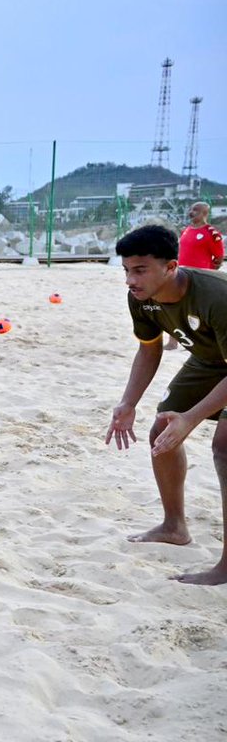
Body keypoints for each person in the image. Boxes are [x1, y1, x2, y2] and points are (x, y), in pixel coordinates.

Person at [105, 223, 227, 586]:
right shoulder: (141, 298)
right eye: (126, 270)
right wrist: (128, 403)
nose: (130, 280)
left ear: (171, 266)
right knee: (162, 430)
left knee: (224, 447)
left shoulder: (217, 297)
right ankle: (174, 527)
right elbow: (149, 350)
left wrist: (192, 418)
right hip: (210, 361)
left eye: (140, 270)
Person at [166, 203, 223, 349]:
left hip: (200, 279)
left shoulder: (211, 233)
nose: (191, 212)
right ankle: (173, 342)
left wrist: (206, 272)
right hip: (181, 275)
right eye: (191, 209)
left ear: (204, 213)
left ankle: (204, 342)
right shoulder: (187, 230)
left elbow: (218, 258)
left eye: (195, 210)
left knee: (199, 310)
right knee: (176, 307)